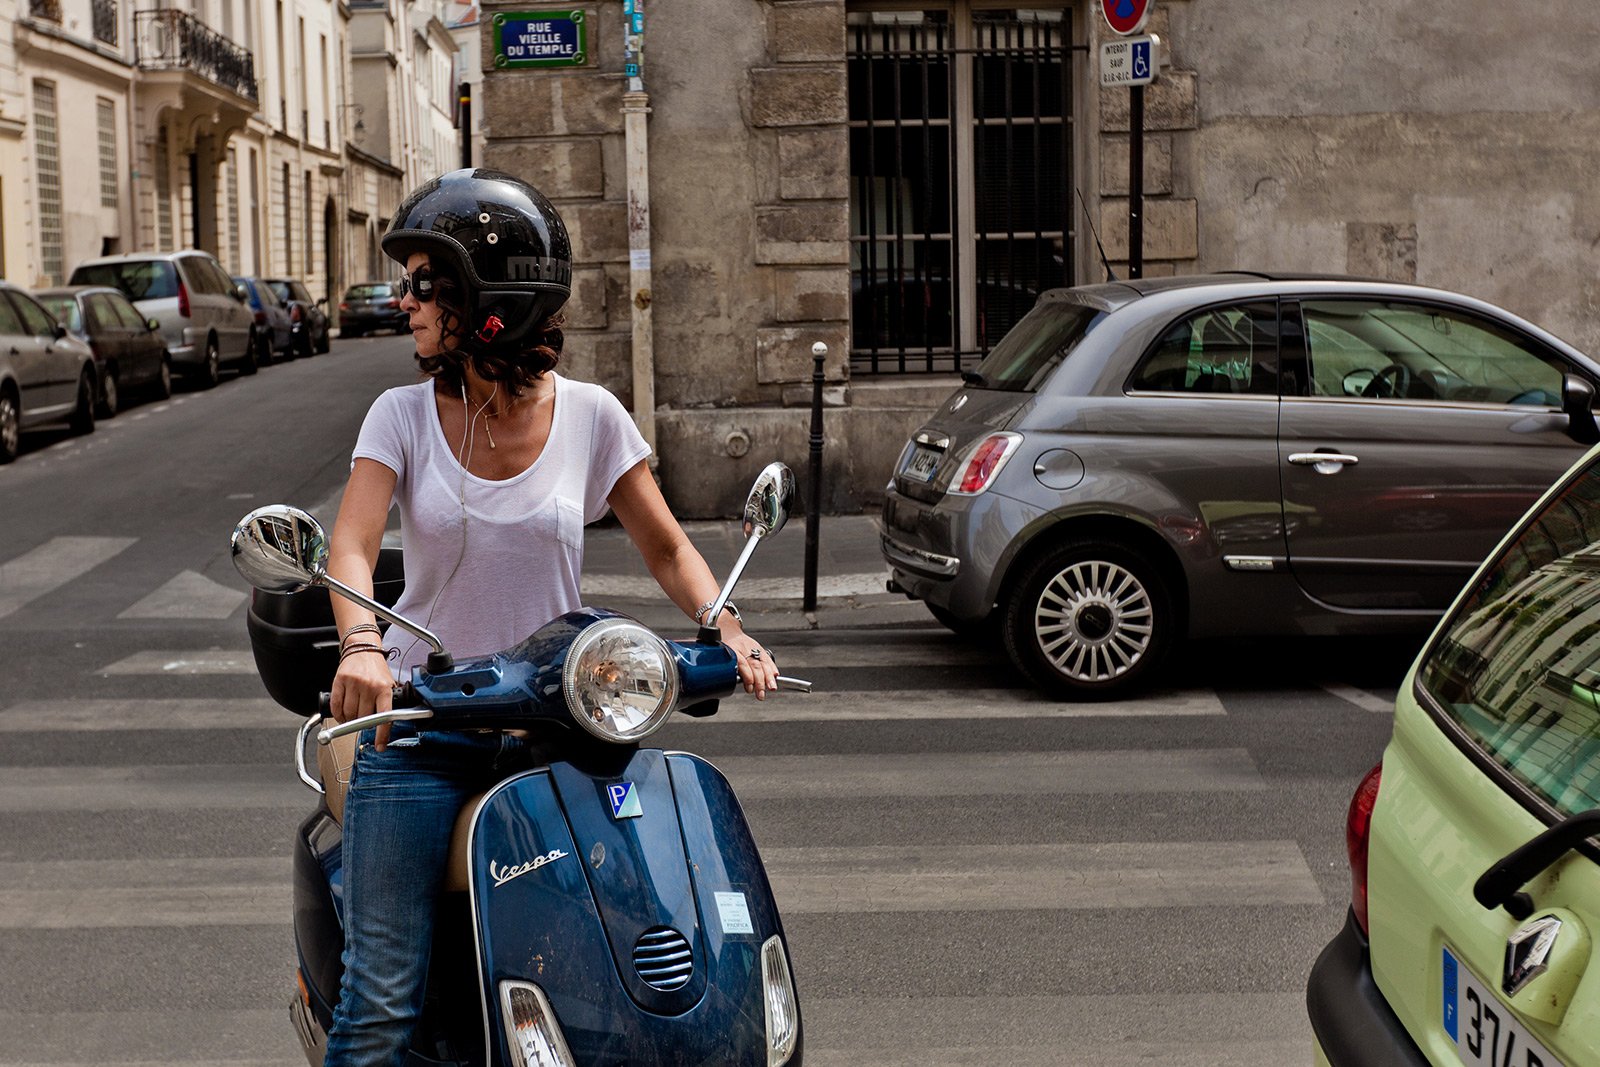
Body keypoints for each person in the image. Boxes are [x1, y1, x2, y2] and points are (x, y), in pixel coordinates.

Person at [320, 167, 779, 1065]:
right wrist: (365, 645)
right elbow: (349, 548)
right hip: (425, 727)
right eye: (407, 281)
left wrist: (726, 624)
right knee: (379, 1007)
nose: (404, 300)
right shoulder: (401, 416)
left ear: (484, 298)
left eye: (424, 281)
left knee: (630, 959)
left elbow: (667, 547)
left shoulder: (593, 416)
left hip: (561, 721)